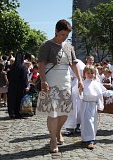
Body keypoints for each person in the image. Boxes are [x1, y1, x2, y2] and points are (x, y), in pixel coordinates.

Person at [36, 19, 83, 153]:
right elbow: (41, 64)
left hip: (65, 81)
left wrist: (79, 79)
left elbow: (74, 64)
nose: (64, 37)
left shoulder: (69, 47)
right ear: (56, 31)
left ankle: (57, 131)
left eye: (66, 35)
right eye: (62, 34)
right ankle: (52, 139)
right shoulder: (46, 45)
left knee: (65, 112)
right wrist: (43, 80)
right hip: (51, 81)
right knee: (53, 112)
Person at [80, 65, 106, 149]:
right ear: (84, 74)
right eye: (88, 73)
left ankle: (91, 139)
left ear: (94, 74)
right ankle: (85, 137)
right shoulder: (83, 83)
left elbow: (100, 95)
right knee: (85, 121)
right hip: (85, 104)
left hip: (93, 104)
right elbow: (79, 94)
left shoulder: (96, 84)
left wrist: (100, 105)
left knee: (92, 121)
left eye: (92, 73)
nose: (90, 75)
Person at [7, 52, 28, 118]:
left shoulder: (12, 66)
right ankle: (17, 113)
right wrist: (26, 85)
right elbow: (24, 78)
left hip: (12, 86)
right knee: (19, 99)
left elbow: (9, 75)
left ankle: (11, 112)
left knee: (12, 99)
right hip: (20, 86)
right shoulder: (22, 67)